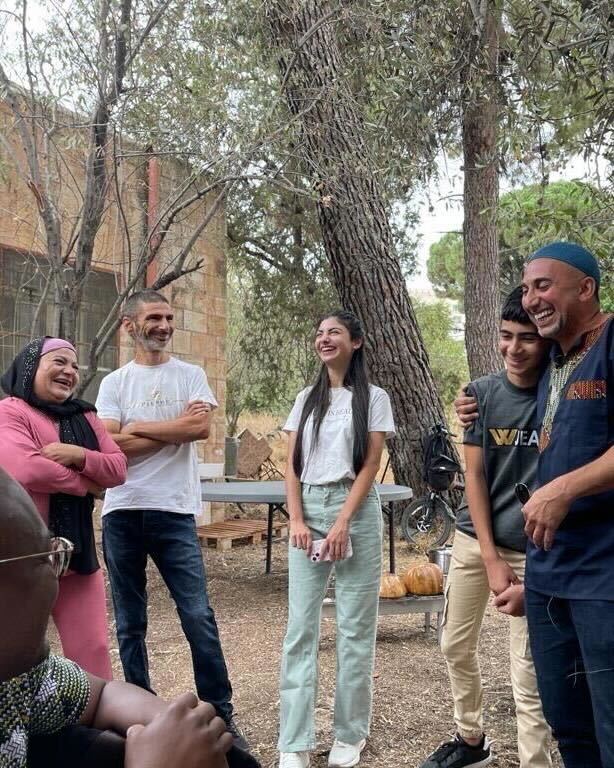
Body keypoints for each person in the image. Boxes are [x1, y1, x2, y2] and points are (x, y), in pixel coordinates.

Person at [456, 241, 614, 767]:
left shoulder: (610, 342)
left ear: (586, 288)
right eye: (526, 288)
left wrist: (564, 488)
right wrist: (474, 399)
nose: (532, 297)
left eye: (543, 285)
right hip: (548, 584)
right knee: (569, 727)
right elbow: (510, 386)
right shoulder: (553, 364)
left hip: (603, 580)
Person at [0, 465, 259, 768]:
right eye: (44, 559)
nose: (55, 581)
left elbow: (101, 695)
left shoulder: (19, 680)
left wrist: (173, 727)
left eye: (54, 552)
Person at [95, 289, 247, 749]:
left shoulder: (191, 376)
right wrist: (169, 432)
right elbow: (110, 446)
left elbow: (198, 429)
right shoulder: (114, 383)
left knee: (197, 615)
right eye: (154, 318)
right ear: (130, 325)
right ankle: (141, 717)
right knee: (129, 622)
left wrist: (134, 428)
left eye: (168, 317)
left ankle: (220, 715)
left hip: (175, 511)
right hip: (122, 510)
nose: (163, 325)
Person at [419, 288, 552, 768]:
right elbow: (472, 476)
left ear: (547, 342)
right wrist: (491, 557)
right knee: (454, 644)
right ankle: (471, 741)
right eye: (505, 337)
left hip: (536, 549)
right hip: (477, 540)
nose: (514, 349)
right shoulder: (480, 395)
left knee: (528, 676)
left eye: (526, 339)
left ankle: (537, 761)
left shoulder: (560, 395)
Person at [278, 310, 395, 768]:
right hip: (309, 507)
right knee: (300, 629)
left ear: (356, 343)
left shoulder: (374, 397)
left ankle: (350, 734)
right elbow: (291, 465)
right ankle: (295, 741)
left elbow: (370, 464)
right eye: (320, 332)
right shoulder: (306, 398)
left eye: (335, 332)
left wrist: (344, 521)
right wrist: (297, 519)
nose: (324, 339)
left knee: (354, 630)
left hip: (356, 511)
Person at [0, 336, 127, 679]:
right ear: (31, 368)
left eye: (74, 365)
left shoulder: (85, 416)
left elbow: (118, 468)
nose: (69, 371)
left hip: (77, 556)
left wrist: (77, 454)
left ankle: (95, 730)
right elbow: (25, 468)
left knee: (94, 652)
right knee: (17, 660)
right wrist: (87, 483)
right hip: (22, 561)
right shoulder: (11, 410)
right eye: (58, 362)